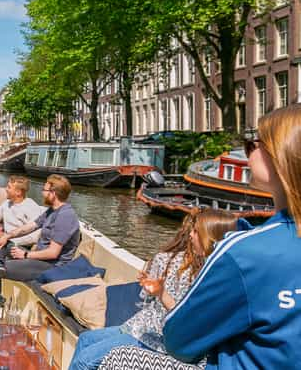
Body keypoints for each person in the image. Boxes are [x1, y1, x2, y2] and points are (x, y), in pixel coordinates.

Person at [162, 104, 301, 369]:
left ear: (280, 154)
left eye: (253, 144)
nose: (247, 150)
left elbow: (178, 342)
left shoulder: (244, 252)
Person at [68, 209, 238, 370]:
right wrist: (156, 291)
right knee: (85, 339)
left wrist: (160, 293)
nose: (190, 236)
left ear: (208, 237)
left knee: (85, 360)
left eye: (195, 232)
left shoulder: (211, 276)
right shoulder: (202, 266)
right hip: (143, 328)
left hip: (160, 340)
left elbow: (189, 321)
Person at [0, 174, 80, 281]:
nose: (42, 193)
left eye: (44, 190)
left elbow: (53, 253)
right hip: (38, 259)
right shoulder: (51, 211)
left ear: (53, 193)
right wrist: (6, 236)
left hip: (51, 266)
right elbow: (30, 227)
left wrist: (26, 254)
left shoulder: (65, 216)